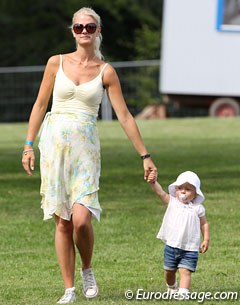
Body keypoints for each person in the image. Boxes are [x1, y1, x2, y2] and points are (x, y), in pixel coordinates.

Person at [21, 7, 157, 305]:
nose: (84, 31)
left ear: (98, 30)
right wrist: (28, 144)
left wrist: (145, 155)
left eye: (89, 26)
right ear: (73, 31)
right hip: (54, 148)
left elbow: (124, 116)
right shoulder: (56, 63)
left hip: (86, 151)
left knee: (81, 219)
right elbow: (39, 105)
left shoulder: (106, 71)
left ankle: (87, 269)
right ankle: (69, 289)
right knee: (62, 221)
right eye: (79, 26)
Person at [149, 171, 210, 300]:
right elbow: (160, 193)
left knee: (185, 271)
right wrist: (154, 183)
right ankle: (171, 287)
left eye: (188, 189)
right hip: (172, 245)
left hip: (190, 248)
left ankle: (183, 293)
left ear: (195, 194)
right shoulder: (172, 202)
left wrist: (206, 239)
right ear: (175, 189)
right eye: (180, 188)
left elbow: (204, 224)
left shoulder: (198, 208)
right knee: (169, 271)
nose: (183, 192)